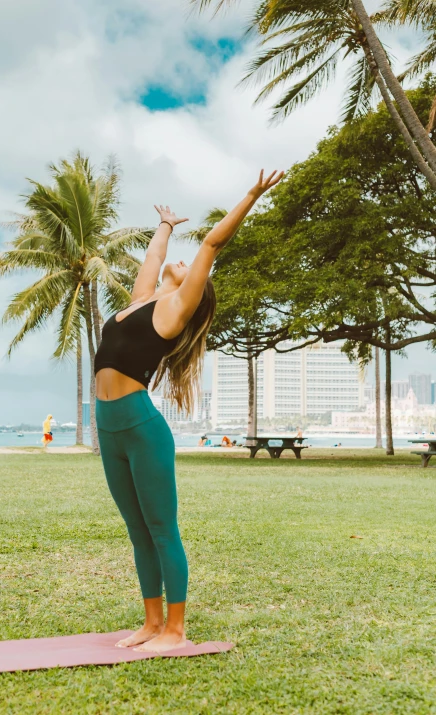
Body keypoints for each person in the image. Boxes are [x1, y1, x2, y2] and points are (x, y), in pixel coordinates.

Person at [94, 169, 283, 653]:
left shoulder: (175, 310)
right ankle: (151, 623)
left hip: (140, 426)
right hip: (108, 427)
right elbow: (153, 261)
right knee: (137, 532)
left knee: (161, 529)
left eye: (185, 271)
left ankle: (176, 630)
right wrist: (165, 227)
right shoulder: (141, 301)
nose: (175, 266)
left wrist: (250, 195)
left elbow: (213, 246)